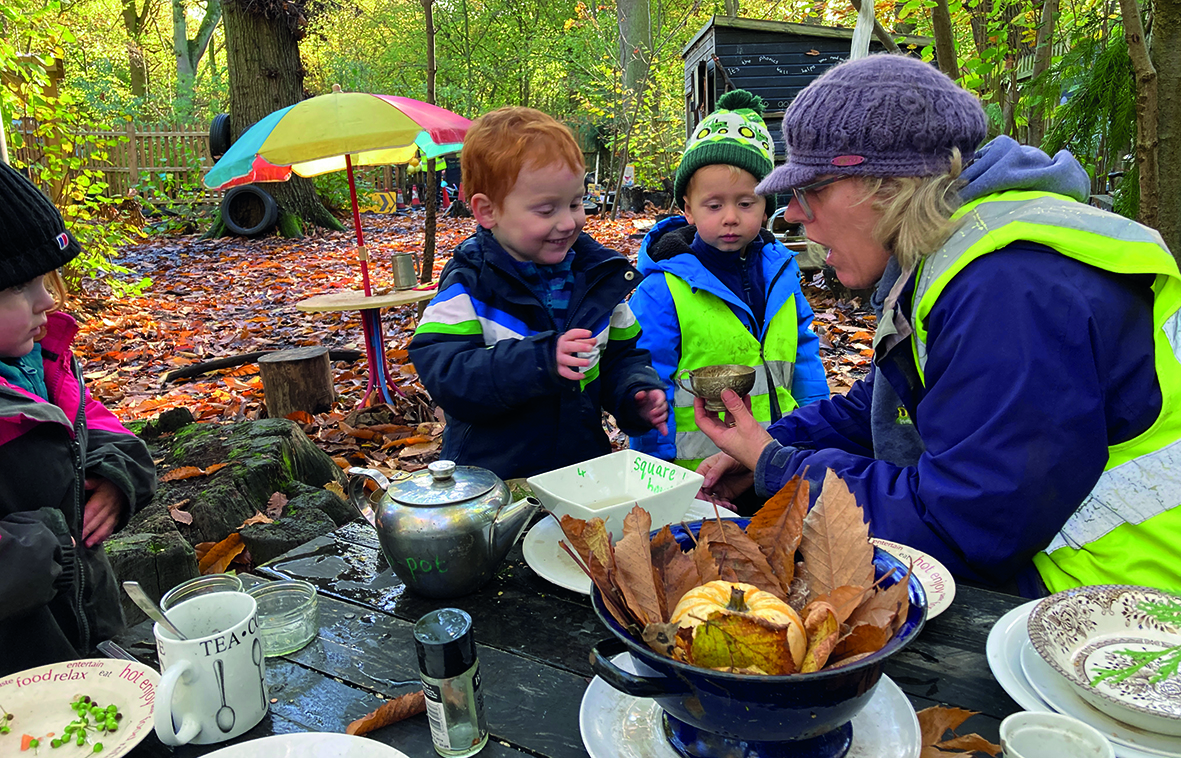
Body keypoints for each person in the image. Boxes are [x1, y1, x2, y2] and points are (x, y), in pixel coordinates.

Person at [695, 54, 1181, 597]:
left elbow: (963, 527)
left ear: (885, 184)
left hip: (1118, 610)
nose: (791, 215)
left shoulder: (1007, 288)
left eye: (811, 190)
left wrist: (781, 470)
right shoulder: (954, 256)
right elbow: (886, 403)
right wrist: (766, 448)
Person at [408, 107, 668, 480]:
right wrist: (540, 360)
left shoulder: (596, 281)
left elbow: (622, 356)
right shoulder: (472, 286)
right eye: (546, 210)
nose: (568, 222)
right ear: (488, 211)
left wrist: (635, 394)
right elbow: (447, 374)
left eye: (576, 203)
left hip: (580, 472)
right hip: (494, 482)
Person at [0, 162, 157, 676]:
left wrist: (117, 478)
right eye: (22, 285)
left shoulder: (41, 365)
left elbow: (105, 431)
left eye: (45, 279)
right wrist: (45, 544)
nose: (47, 298)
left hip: (88, 640)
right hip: (23, 676)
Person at [628, 90, 828, 476]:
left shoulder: (781, 275)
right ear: (688, 209)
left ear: (767, 205)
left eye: (746, 203)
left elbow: (803, 352)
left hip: (776, 457)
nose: (731, 217)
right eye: (714, 205)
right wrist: (655, 466)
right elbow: (648, 377)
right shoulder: (664, 289)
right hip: (695, 474)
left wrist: (816, 429)